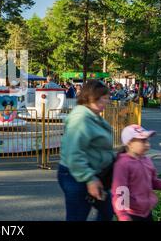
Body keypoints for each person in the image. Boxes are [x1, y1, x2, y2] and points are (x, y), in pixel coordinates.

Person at [58, 80, 115, 221]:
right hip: (78, 176)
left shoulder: (92, 116)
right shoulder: (81, 118)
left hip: (93, 175)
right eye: (105, 98)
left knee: (107, 212)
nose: (108, 102)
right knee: (77, 216)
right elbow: (74, 153)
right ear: (92, 97)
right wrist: (89, 180)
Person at [112, 125, 161, 221]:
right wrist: (122, 215)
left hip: (146, 212)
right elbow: (120, 191)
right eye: (143, 141)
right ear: (129, 143)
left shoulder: (147, 160)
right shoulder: (123, 164)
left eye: (147, 140)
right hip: (131, 214)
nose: (147, 144)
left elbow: (152, 182)